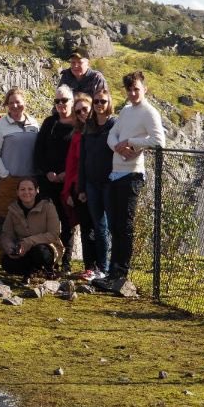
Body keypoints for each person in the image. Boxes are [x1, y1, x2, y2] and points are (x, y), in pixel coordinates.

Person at [101, 71, 165, 284]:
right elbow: (112, 134)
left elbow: (158, 141)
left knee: (125, 225)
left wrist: (131, 141)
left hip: (133, 174)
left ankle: (121, 272)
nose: (133, 93)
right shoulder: (126, 111)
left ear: (144, 89)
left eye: (136, 89)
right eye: (129, 90)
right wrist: (118, 147)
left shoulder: (149, 112)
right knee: (115, 225)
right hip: (115, 172)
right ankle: (113, 270)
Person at [34, 84, 77, 273]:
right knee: (46, 222)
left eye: (64, 100)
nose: (61, 104)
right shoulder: (49, 123)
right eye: (57, 101)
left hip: (69, 182)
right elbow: (38, 151)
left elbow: (81, 155)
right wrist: (47, 172)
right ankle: (48, 260)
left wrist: (67, 174)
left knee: (68, 222)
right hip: (48, 182)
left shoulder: (79, 124)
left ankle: (66, 263)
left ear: (72, 101)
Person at [0, 87, 41, 235]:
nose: (15, 105)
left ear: (25, 102)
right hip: (9, 180)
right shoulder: (1, 125)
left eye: (18, 102)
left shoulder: (34, 124)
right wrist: (4, 174)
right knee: (6, 217)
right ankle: (3, 253)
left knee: (29, 217)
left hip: (30, 181)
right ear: (6, 105)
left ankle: (27, 252)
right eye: (11, 103)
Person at [76, 88, 116, 281]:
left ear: (110, 103)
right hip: (91, 183)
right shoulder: (89, 126)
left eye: (103, 101)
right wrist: (81, 187)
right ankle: (102, 267)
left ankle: (111, 268)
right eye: (97, 102)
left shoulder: (115, 125)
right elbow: (83, 159)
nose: (100, 105)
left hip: (110, 183)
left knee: (111, 227)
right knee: (99, 227)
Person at [0, 177, 64, 277]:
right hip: (23, 250)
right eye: (22, 189)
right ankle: (31, 272)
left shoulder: (48, 207)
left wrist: (29, 241)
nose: (26, 192)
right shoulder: (13, 209)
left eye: (30, 189)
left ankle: (47, 269)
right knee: (7, 263)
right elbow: (7, 233)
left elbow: (53, 234)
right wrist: (9, 246)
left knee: (39, 252)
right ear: (17, 192)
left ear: (37, 190)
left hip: (46, 247)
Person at [61, 93, 95, 276]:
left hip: (97, 185)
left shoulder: (102, 129)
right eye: (78, 111)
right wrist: (69, 191)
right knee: (86, 228)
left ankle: (100, 267)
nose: (82, 113)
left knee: (99, 227)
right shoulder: (77, 134)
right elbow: (71, 164)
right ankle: (90, 267)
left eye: (85, 109)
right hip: (79, 186)